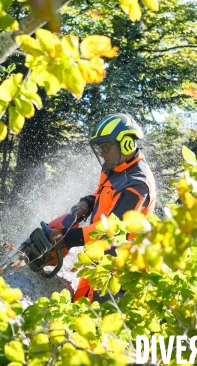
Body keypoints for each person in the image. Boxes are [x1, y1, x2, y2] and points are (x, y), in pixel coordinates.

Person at [48, 113, 157, 302]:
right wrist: (86, 204)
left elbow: (113, 229)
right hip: (98, 258)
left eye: (106, 147)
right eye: (100, 148)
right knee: (79, 309)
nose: (102, 153)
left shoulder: (136, 184)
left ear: (126, 144)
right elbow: (100, 193)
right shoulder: (114, 165)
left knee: (98, 323)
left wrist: (68, 238)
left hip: (118, 270)